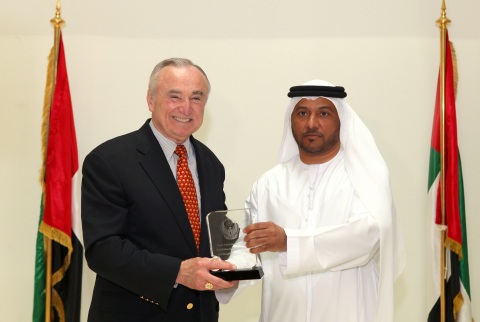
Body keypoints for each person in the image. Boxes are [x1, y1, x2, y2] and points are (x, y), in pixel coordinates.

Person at [216, 80, 406, 322]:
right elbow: (249, 248)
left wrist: (289, 242)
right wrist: (229, 275)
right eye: (302, 113)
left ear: (341, 121)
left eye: (323, 113)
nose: (311, 123)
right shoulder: (269, 184)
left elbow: (368, 236)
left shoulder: (365, 176)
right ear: (291, 120)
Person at [81, 58, 237, 322]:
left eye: (196, 98)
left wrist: (235, 266)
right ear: (151, 100)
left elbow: (213, 239)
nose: (186, 108)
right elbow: (103, 250)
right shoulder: (109, 160)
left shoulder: (211, 164)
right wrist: (177, 271)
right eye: (174, 96)